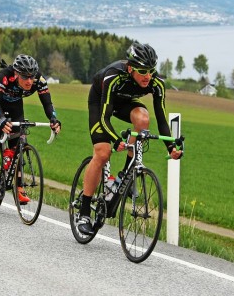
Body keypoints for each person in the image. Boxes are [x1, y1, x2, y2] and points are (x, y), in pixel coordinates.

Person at [76, 42, 183, 236]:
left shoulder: (155, 82)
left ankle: (125, 173)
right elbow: (103, 117)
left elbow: (161, 118)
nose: (148, 76)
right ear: (131, 67)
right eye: (143, 71)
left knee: (143, 119)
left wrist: (170, 147)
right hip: (101, 103)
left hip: (125, 103)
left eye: (151, 71)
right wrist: (116, 140)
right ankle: (83, 212)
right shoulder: (113, 76)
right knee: (103, 153)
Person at [0, 54, 61, 203]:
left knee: (17, 141)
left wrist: (53, 118)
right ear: (17, 74)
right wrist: (1, 119)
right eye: (25, 77)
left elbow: (48, 103)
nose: (29, 81)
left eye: (32, 77)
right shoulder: (4, 76)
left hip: (14, 104)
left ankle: (18, 187)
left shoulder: (39, 79)